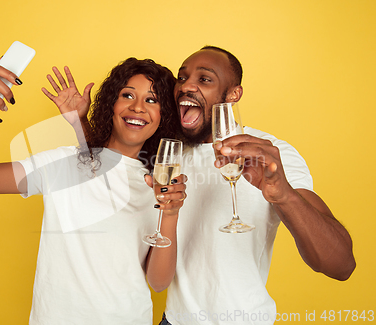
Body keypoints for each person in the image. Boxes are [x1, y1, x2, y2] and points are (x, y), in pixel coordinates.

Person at [0, 57, 188, 324]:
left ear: (164, 115)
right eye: (127, 95)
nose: (138, 107)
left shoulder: (160, 185)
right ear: (111, 104)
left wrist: (171, 214)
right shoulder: (63, 164)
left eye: (152, 100)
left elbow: (158, 282)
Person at [147, 46, 356, 325]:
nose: (187, 86)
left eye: (205, 79)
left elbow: (341, 265)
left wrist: (283, 194)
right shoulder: (168, 156)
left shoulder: (271, 154)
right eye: (182, 78)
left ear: (233, 94)